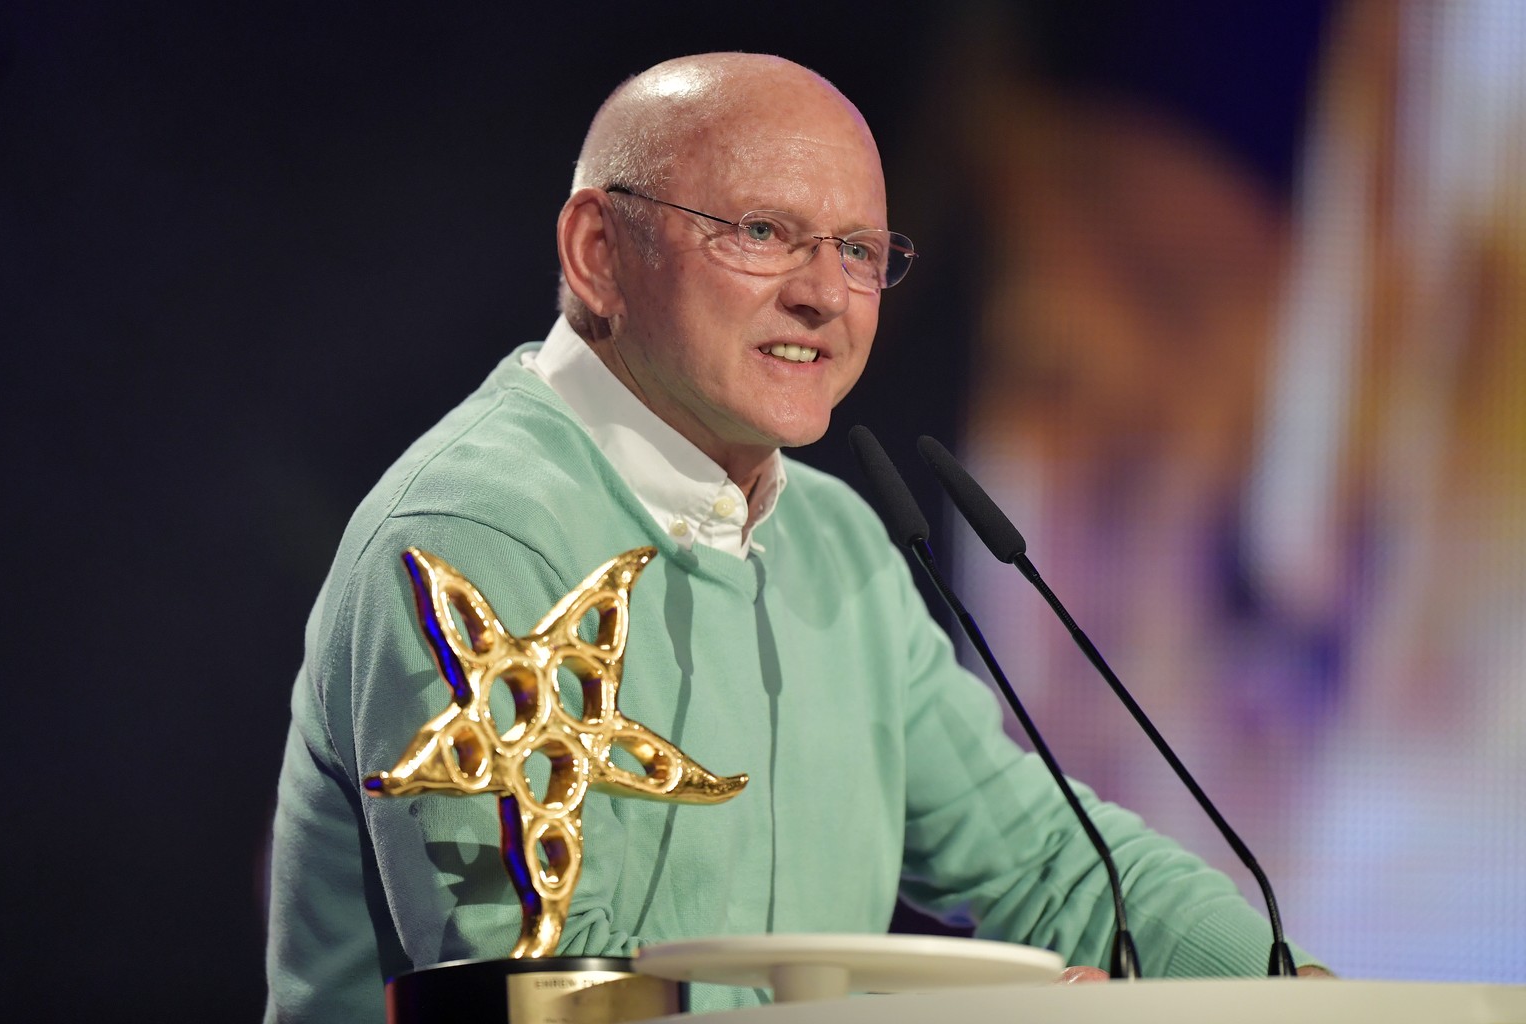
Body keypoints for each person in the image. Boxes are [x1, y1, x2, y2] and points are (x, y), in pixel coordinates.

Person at [264, 52, 1325, 1021]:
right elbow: (550, 993)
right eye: (764, 232)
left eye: (858, 251)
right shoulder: (478, 534)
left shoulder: (837, 543)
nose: (824, 295)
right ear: (599, 252)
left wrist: (1294, 996)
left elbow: (1050, 862)